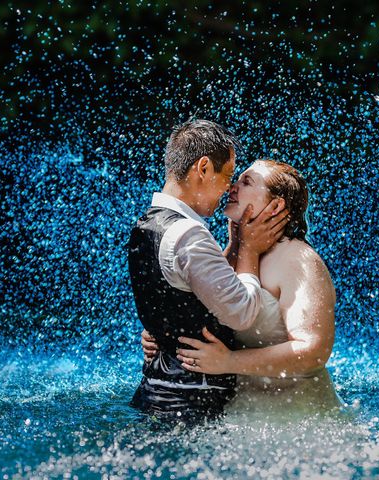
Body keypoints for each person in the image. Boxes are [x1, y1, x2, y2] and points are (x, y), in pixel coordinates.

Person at [142, 159, 342, 416]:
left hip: (297, 417)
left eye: (246, 182)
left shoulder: (298, 260)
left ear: (276, 205)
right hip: (237, 412)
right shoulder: (236, 254)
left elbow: (313, 351)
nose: (230, 188)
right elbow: (203, 310)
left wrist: (229, 362)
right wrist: (162, 332)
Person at [128, 120, 289, 418]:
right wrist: (250, 251)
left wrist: (233, 247)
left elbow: (185, 292)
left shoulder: (146, 224)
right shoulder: (189, 235)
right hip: (192, 406)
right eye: (227, 175)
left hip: (155, 392)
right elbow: (241, 313)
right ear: (203, 169)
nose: (229, 188)